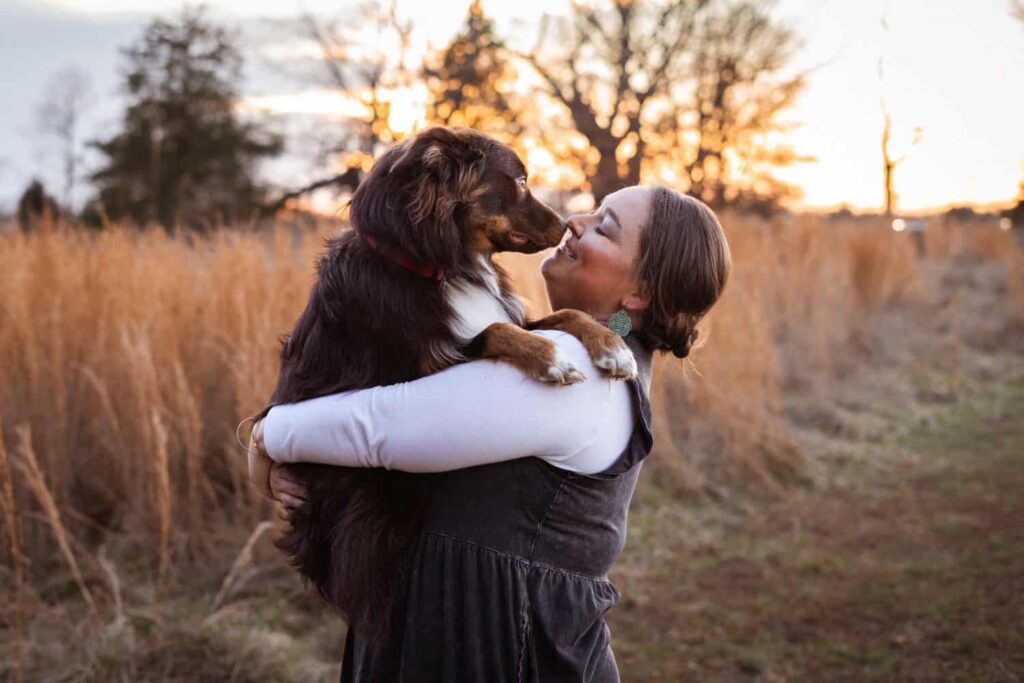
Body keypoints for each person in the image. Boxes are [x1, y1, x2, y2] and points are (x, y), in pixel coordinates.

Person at [248, 185, 731, 682]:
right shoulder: (605, 357)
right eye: (592, 209)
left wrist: (266, 434)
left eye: (604, 228)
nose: (573, 222)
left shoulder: (580, 373)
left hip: (496, 645)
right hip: (472, 633)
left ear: (639, 294)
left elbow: (382, 427)